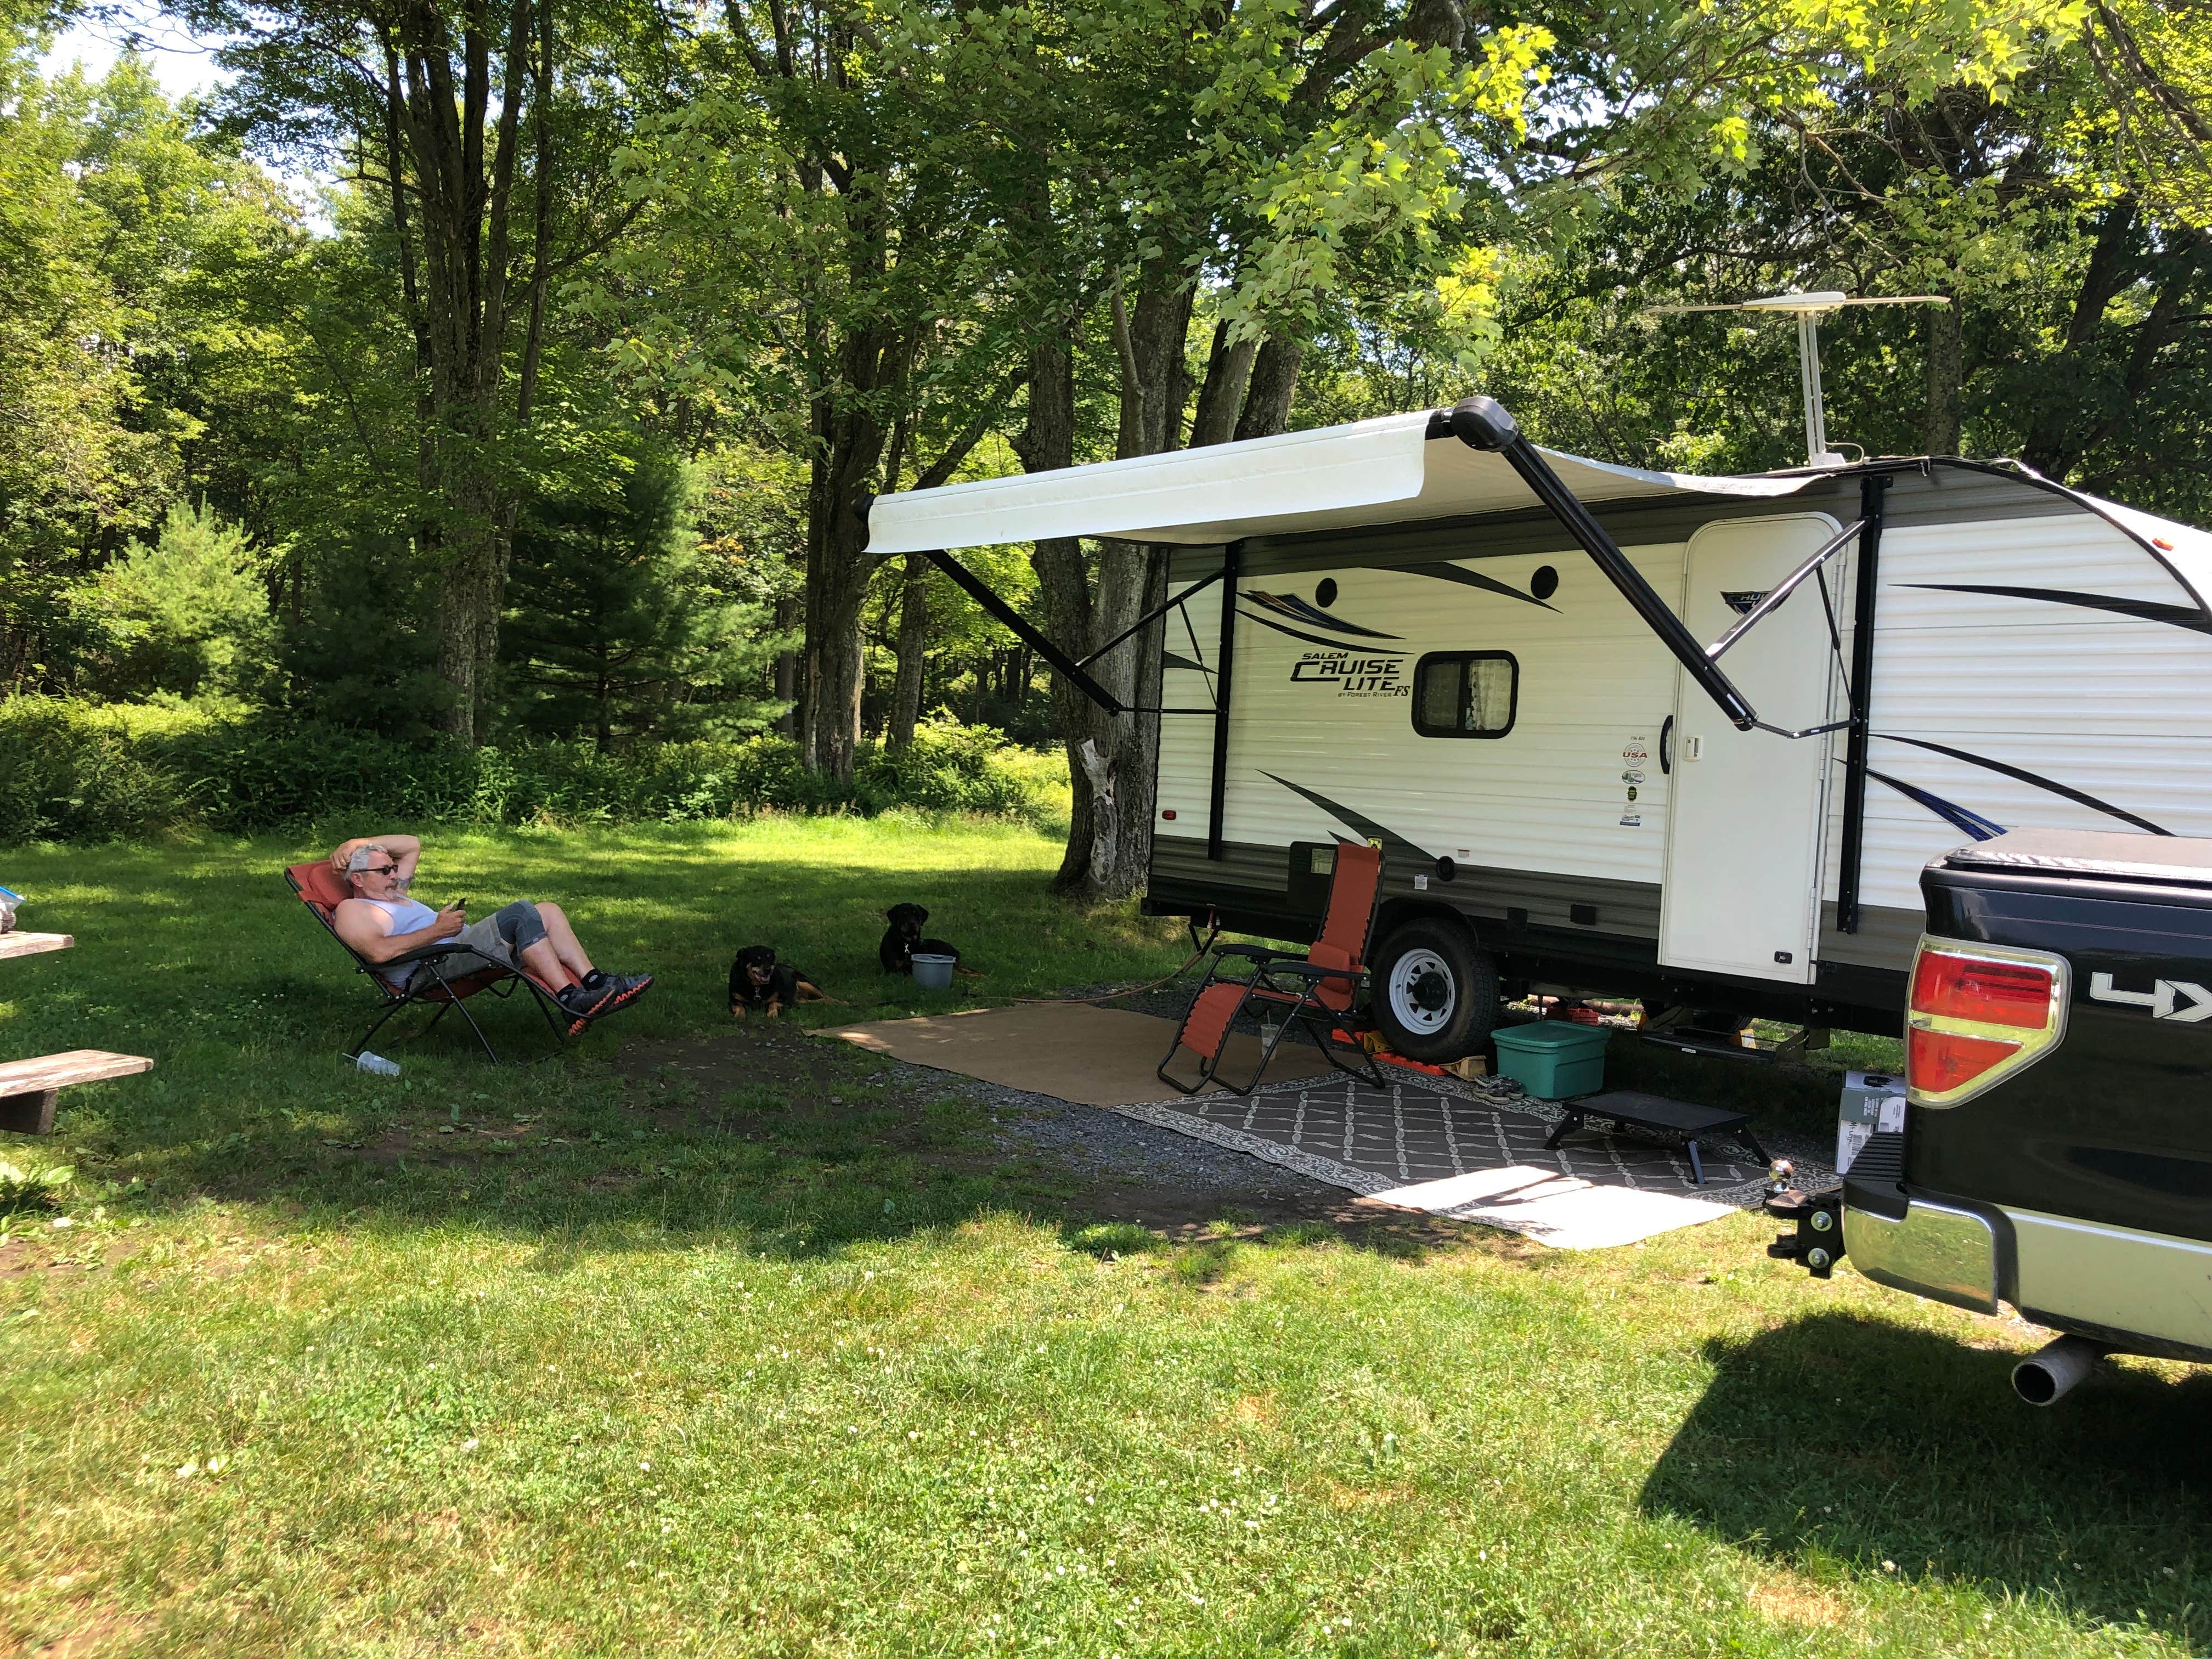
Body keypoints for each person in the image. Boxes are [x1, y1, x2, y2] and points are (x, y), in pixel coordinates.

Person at [327, 834, 651, 1034]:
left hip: (458, 951)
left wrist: (356, 843)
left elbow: (412, 844)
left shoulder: (395, 893)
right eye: (385, 870)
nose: (394, 874)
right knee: (521, 913)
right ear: (357, 880)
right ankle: (570, 999)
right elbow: (379, 954)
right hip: (433, 969)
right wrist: (437, 931)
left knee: (547, 910)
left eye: (394, 867)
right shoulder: (352, 911)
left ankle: (594, 981)